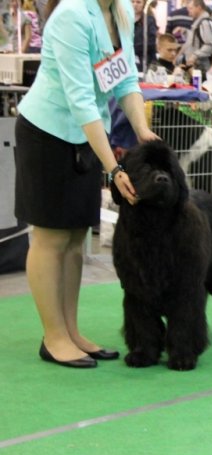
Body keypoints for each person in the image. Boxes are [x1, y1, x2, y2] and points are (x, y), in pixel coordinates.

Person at [14, 0, 158, 368]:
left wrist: (142, 130)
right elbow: (81, 100)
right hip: (48, 133)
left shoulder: (121, 11)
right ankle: (54, 336)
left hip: (86, 137)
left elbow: (125, 80)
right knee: (50, 238)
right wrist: (113, 168)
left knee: (78, 236)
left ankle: (71, 330)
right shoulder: (71, 17)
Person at [177, 0, 212, 73]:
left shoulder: (204, 23)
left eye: (190, 8)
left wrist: (195, 56)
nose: (189, 12)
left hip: (201, 67)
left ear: (198, 7)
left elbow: (210, 45)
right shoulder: (198, 22)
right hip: (195, 67)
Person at [132, 0, 157, 71]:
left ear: (144, 4)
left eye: (138, 2)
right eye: (132, 2)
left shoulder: (149, 21)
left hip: (146, 62)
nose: (135, 4)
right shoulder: (126, 20)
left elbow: (151, 43)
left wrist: (131, 48)